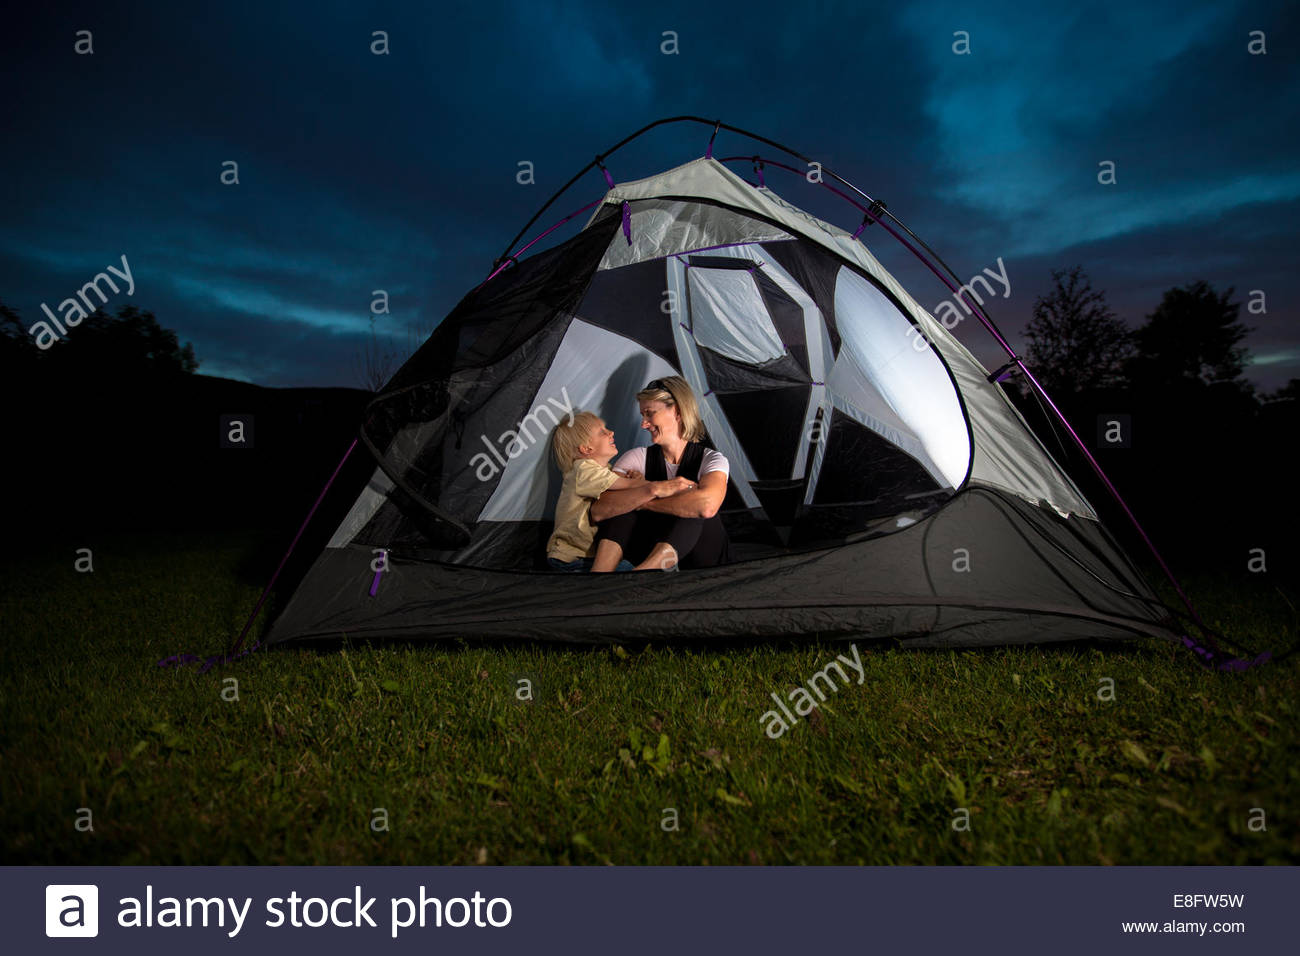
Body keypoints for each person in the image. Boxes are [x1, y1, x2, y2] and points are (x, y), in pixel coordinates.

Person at [590, 376, 731, 571]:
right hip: (648, 546)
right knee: (621, 507)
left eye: (649, 414)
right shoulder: (636, 458)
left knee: (695, 508)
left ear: (678, 411)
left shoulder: (712, 460)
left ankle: (640, 577)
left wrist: (643, 503)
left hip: (701, 562)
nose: (644, 424)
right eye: (642, 415)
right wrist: (654, 488)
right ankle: (598, 579)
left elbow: (707, 506)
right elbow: (599, 511)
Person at [545, 410, 693, 572]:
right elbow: (628, 487)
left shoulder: (601, 471)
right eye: (603, 432)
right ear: (586, 449)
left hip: (585, 555)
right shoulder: (583, 469)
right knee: (630, 573)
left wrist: (635, 481)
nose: (611, 432)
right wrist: (660, 486)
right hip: (571, 558)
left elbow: (623, 487)